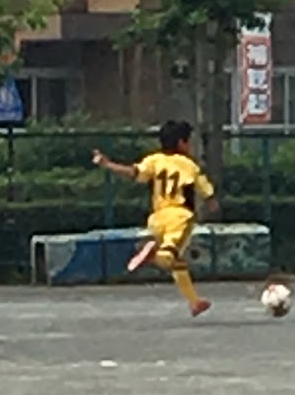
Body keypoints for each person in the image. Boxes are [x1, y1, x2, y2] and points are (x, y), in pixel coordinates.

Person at [91, 120, 219, 318]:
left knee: (177, 261)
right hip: (180, 217)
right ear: (181, 143)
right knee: (167, 258)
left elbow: (133, 173)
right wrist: (212, 204)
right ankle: (152, 256)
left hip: (157, 218)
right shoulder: (189, 165)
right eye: (189, 141)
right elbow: (206, 191)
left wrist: (107, 164)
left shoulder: (154, 160)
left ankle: (194, 302)